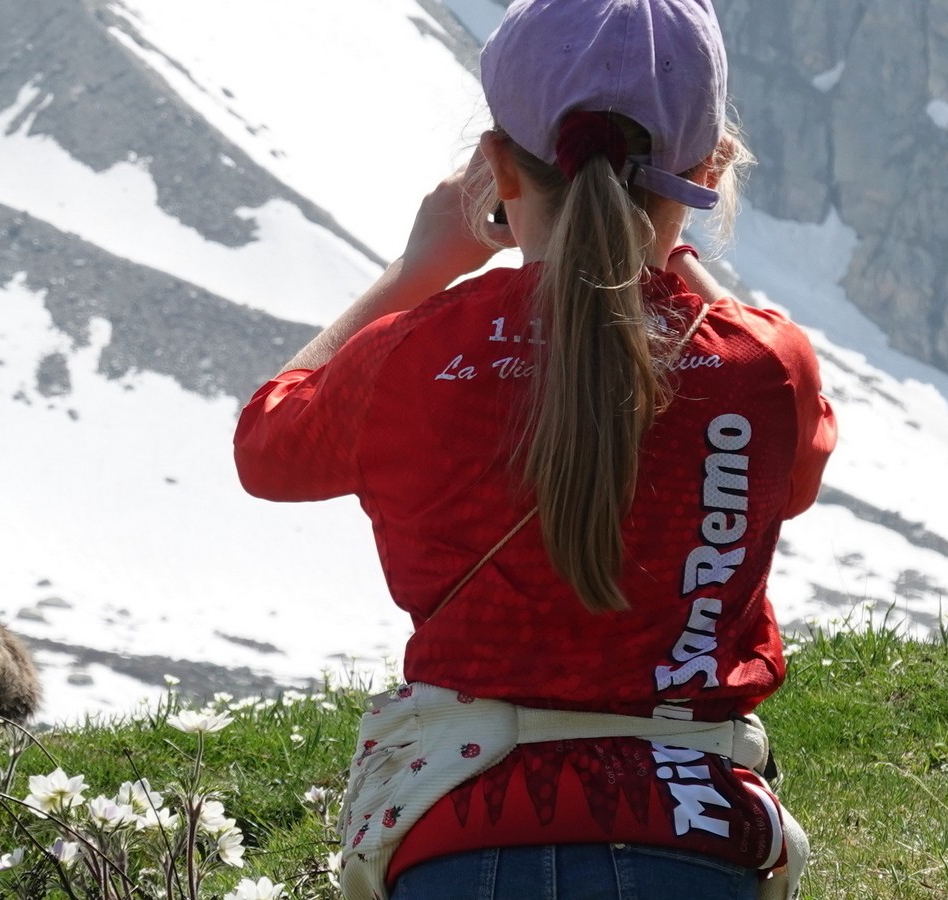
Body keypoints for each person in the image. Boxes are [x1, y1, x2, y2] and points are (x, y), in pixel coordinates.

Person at [232, 1, 837, 898]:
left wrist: (416, 272)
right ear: (707, 174)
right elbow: (791, 472)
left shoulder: (414, 353)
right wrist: (669, 260)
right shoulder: (763, 369)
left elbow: (266, 446)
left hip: (456, 837)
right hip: (691, 836)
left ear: (496, 168)